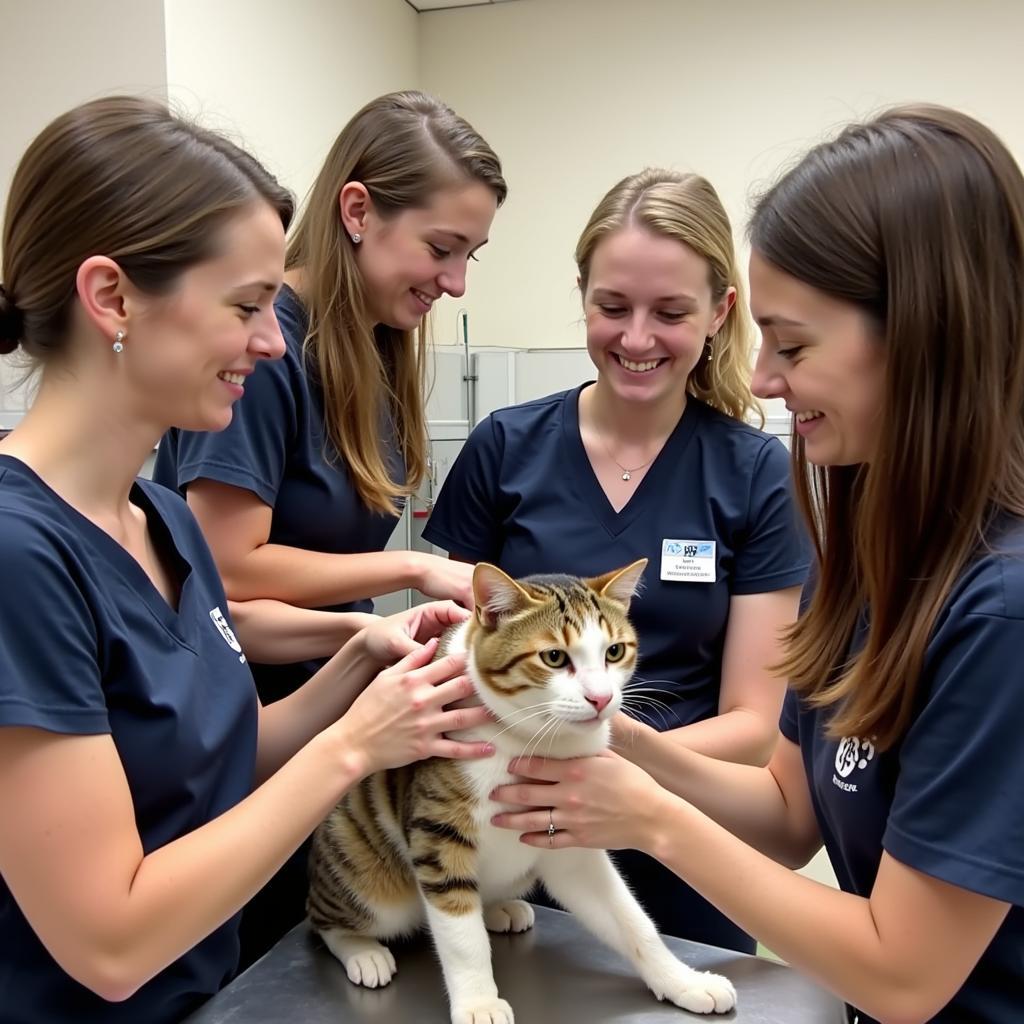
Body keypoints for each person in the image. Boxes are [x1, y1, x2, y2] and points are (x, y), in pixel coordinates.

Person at [490, 105, 1024, 1023]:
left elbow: (904, 974)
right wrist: (617, 738)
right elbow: (785, 812)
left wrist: (648, 816)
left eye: (796, 344)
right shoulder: (875, 557)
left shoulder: (1000, 610)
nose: (765, 378)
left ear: (923, 333)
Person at [0, 96, 494, 1024]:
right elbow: (110, 941)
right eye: (248, 306)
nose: (273, 342)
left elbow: (221, 759)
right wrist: (354, 747)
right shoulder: (19, 557)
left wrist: (355, 671)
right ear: (111, 298)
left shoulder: (161, 523)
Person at [152, 90, 506, 965]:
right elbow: (227, 574)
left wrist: (370, 642)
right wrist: (416, 577)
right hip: (258, 733)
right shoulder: (264, 358)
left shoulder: (374, 349)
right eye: (440, 248)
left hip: (327, 717)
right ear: (358, 211)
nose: (455, 281)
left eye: (471, 255)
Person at [424, 169, 809, 951]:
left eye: (670, 312)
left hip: (689, 843)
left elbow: (754, 725)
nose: (636, 339)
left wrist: (605, 760)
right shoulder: (506, 447)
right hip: (514, 837)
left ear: (720, 311)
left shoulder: (755, 473)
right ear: (582, 296)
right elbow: (461, 660)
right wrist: (549, 768)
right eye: (611, 307)